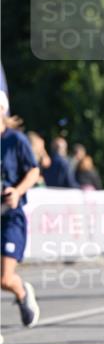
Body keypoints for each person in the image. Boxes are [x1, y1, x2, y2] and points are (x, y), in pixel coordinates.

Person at [1, 91, 41, 327]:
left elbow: (34, 171)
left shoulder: (15, 140)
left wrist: (17, 191)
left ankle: (23, 292)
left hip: (10, 216)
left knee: (5, 278)